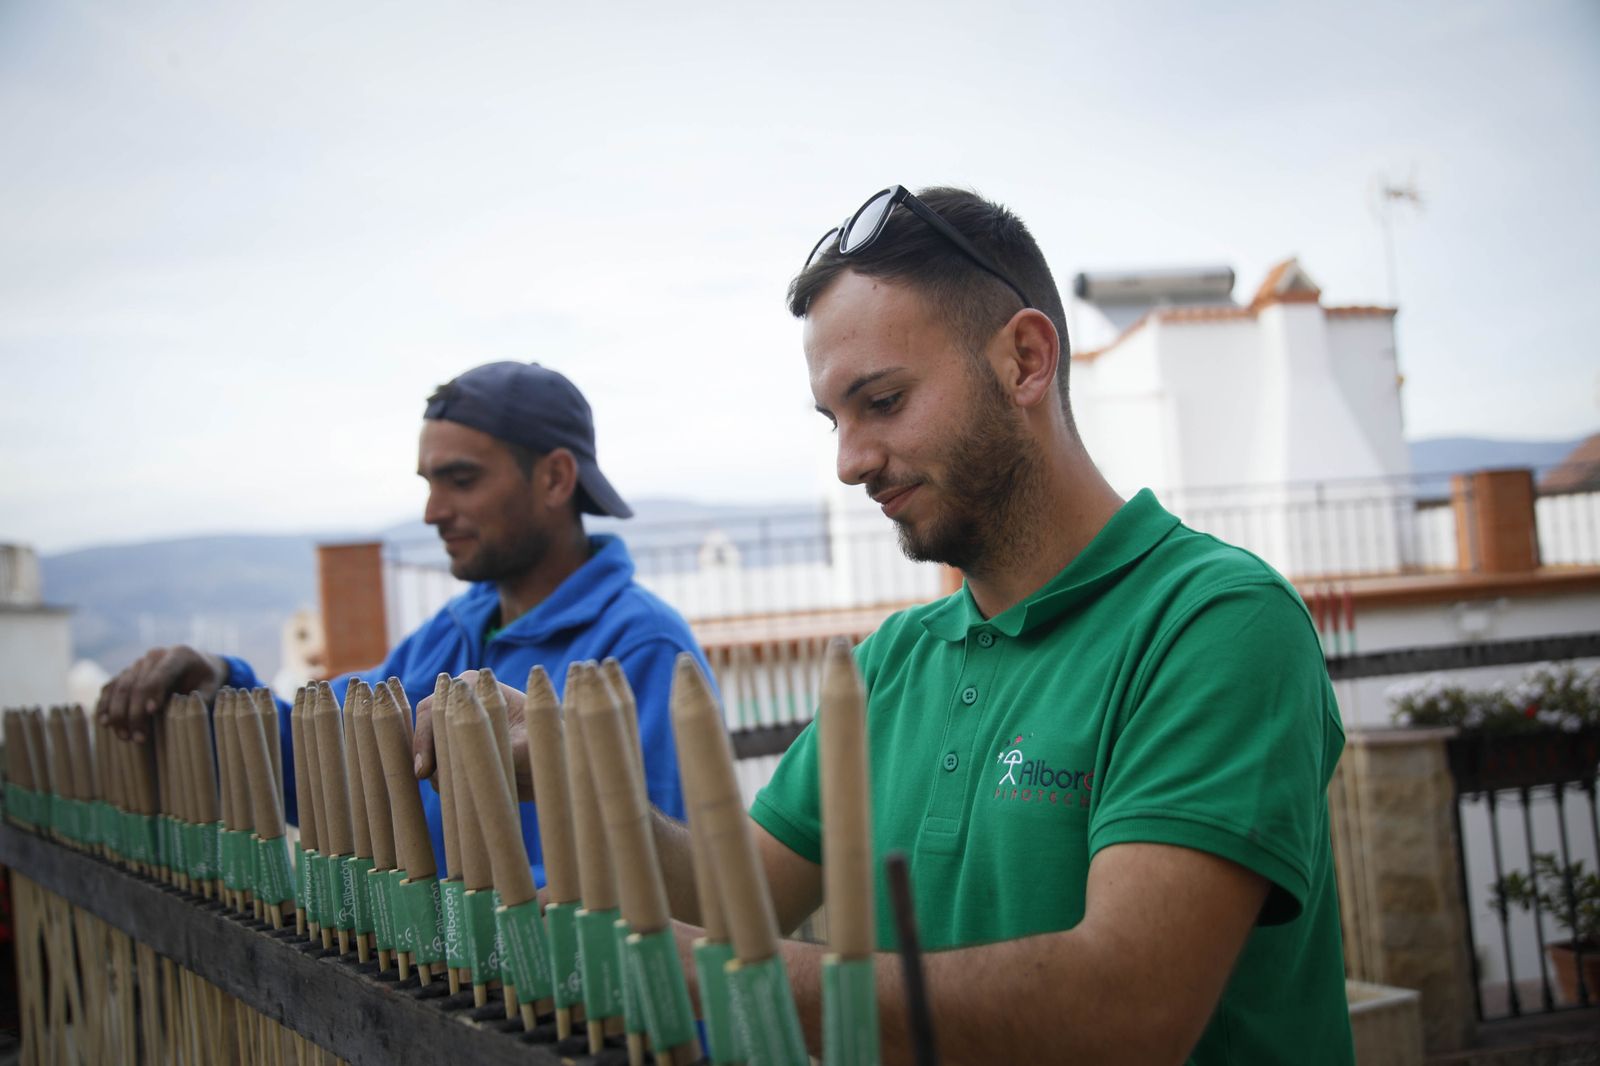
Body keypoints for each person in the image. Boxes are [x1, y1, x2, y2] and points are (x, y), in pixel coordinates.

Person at [658, 186, 1353, 1063]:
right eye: (834, 420)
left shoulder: (1214, 622)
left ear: (1026, 359)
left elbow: (1127, 1011)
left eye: (883, 401)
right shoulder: (892, 664)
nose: (849, 463)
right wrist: (556, 766)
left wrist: (726, 975)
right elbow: (727, 901)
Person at [97, 360, 703, 880]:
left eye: (461, 480)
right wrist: (219, 682)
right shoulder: (455, 631)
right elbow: (330, 763)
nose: (434, 511)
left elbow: (663, 877)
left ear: (554, 478)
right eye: (429, 484)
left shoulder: (642, 645)